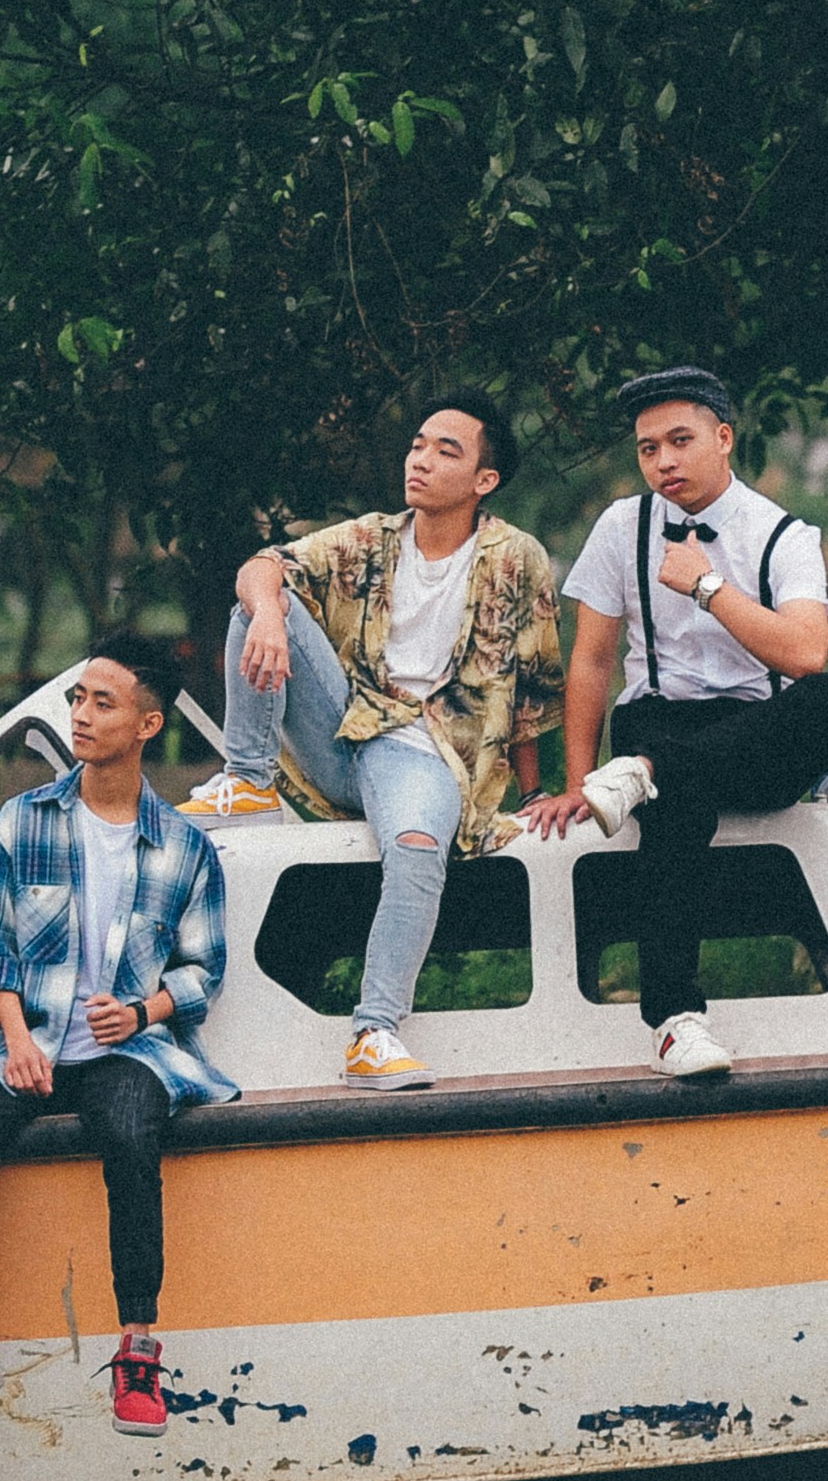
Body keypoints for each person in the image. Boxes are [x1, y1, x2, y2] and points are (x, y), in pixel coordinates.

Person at [179, 394, 567, 1091]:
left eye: (447, 450)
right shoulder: (372, 537)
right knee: (262, 597)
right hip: (345, 728)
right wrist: (269, 610)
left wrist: (534, 790)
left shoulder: (518, 560)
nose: (421, 459)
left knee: (417, 849)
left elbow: (534, 690)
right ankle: (247, 778)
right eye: (418, 444)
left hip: (429, 755)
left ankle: (375, 1030)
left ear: (485, 480)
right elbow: (264, 565)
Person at [0, 632, 235, 1443]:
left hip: (129, 1050)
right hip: (30, 1039)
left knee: (130, 1132)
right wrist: (17, 1039)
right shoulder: (26, 819)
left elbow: (204, 970)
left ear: (148, 726)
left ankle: (137, 1352)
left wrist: (143, 1013)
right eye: (78, 699)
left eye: (103, 702)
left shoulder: (186, 846)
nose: (81, 716)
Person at [524, 366, 828, 1079]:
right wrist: (579, 780)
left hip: (752, 732)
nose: (664, 462)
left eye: (680, 441)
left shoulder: (785, 534)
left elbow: (805, 652)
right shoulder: (624, 525)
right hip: (659, 717)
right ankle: (676, 1021)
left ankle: (644, 777)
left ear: (724, 438)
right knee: (678, 805)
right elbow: (591, 661)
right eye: (648, 449)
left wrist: (708, 587)